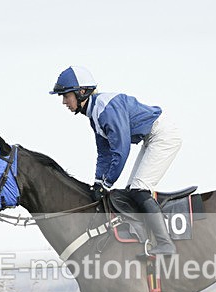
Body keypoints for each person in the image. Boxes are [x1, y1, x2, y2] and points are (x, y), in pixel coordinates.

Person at [49, 65, 181, 256]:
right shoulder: (94, 114)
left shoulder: (105, 109)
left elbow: (121, 150)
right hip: (151, 136)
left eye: (66, 95)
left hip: (163, 134)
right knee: (133, 191)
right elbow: (104, 153)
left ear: (81, 92)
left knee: (139, 189)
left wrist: (107, 183)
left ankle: (165, 243)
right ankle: (147, 238)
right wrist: (97, 182)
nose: (63, 102)